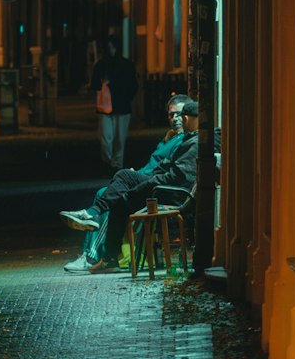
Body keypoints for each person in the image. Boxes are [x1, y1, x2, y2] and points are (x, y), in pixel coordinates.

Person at [59, 100, 199, 275]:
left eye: (180, 115)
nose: (177, 119)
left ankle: (93, 247)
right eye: (171, 114)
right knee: (119, 185)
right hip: (158, 184)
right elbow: (163, 167)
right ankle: (102, 245)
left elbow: (179, 175)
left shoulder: (190, 141)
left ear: (188, 118)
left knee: (116, 193)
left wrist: (148, 181)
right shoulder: (175, 138)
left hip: (165, 190)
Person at [90, 36, 139, 170]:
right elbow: (133, 86)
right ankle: (114, 163)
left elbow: (94, 86)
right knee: (114, 139)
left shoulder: (102, 65)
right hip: (118, 106)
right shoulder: (125, 65)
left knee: (112, 139)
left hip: (111, 107)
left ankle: (112, 164)